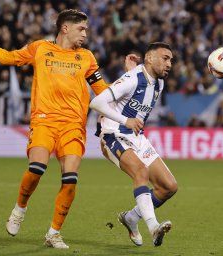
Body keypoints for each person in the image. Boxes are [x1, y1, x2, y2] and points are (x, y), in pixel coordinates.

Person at [0, 9, 138, 249]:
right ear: (65, 28)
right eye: (82, 29)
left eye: (86, 29)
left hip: (73, 126)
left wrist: (129, 78)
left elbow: (103, 91)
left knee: (70, 179)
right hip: (44, 121)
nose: (86, 34)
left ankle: (54, 233)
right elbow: (7, 58)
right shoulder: (40, 49)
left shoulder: (87, 57)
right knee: (36, 169)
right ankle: (19, 209)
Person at [90, 42, 178, 247]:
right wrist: (125, 120)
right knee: (141, 173)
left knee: (168, 187)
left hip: (136, 138)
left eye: (171, 60)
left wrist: (132, 72)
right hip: (113, 134)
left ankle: (131, 218)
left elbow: (139, 87)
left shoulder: (159, 83)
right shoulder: (132, 78)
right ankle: (153, 227)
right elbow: (96, 103)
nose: (169, 64)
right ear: (149, 58)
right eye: (165, 58)